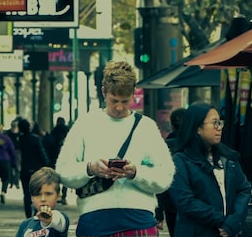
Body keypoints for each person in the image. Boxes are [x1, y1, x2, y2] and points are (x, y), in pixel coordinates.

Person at [56, 60, 175, 237]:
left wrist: (136, 173)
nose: (119, 107)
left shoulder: (146, 127)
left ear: (134, 93)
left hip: (138, 219)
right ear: (104, 92)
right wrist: (90, 168)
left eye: (125, 101)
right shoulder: (86, 124)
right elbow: (63, 171)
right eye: (114, 101)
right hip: (96, 221)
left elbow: (166, 176)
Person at [169, 102, 251, 237]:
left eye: (220, 123)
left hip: (229, 230)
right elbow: (185, 201)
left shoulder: (228, 158)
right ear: (197, 128)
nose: (219, 128)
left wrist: (235, 220)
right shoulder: (181, 160)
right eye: (214, 123)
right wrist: (222, 220)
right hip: (197, 231)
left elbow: (243, 189)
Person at [155, 107, 187, 237]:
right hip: (193, 204)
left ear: (172, 126)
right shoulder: (195, 145)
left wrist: (158, 213)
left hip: (170, 202)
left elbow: (159, 178)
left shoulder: (164, 146)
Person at [15, 166, 70, 237]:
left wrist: (49, 220)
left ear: (58, 196)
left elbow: (58, 220)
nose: (43, 199)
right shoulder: (25, 225)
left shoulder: (61, 219)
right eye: (37, 194)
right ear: (32, 198)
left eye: (48, 194)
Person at [19, 118, 51, 218]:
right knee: (37, 193)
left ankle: (28, 215)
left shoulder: (20, 139)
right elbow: (42, 154)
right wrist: (47, 164)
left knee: (26, 194)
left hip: (25, 169)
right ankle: (35, 214)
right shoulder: (35, 138)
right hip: (36, 170)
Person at [43, 117, 70, 204]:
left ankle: (56, 195)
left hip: (55, 157)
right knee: (65, 178)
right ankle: (64, 196)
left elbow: (50, 144)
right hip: (66, 156)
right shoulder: (68, 131)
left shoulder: (54, 131)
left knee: (54, 178)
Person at [5, 118, 21, 189]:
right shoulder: (8, 133)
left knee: (17, 168)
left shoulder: (20, 134)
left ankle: (16, 182)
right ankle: (11, 182)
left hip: (17, 152)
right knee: (11, 168)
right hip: (10, 152)